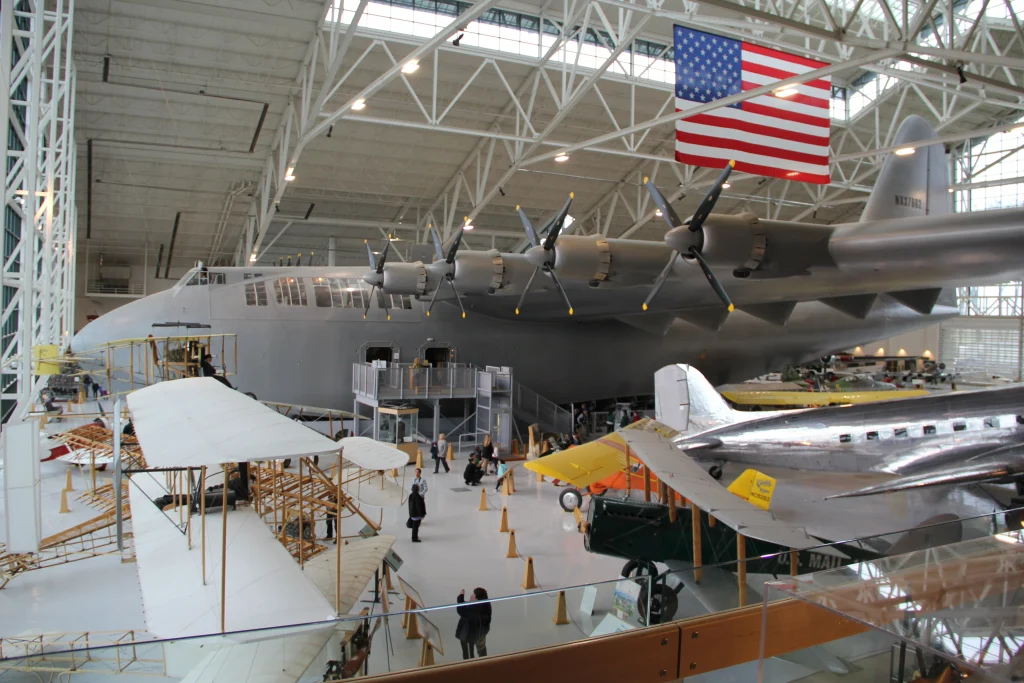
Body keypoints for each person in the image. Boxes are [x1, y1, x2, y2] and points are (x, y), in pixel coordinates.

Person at [455, 588, 492, 660]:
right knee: (481, 648)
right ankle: (485, 662)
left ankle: (470, 663)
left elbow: (461, 610)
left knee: (468, 652)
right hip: (481, 632)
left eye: (473, 595)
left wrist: (460, 597)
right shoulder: (485, 603)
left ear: (477, 599)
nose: (471, 595)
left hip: (470, 633)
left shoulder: (475, 606)